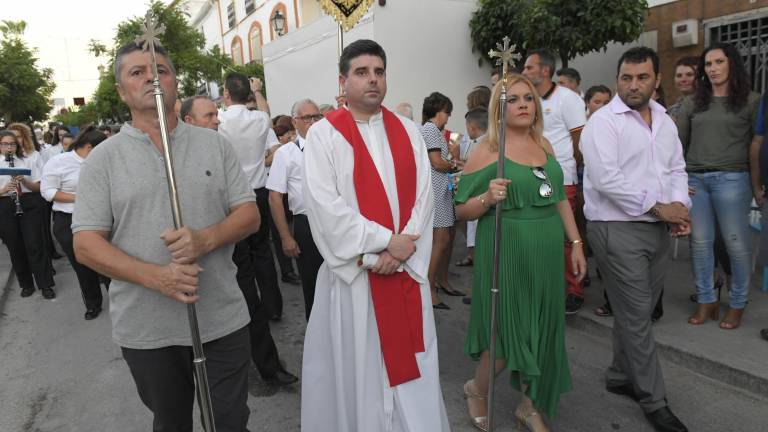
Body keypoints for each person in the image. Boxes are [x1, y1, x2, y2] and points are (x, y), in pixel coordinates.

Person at [72, 41, 257, 431]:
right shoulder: (103, 160)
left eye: (162, 69)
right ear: (122, 91)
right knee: (171, 423)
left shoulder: (215, 145)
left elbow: (248, 214)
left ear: (175, 82)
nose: (151, 78)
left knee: (230, 421)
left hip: (221, 318)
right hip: (148, 329)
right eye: (137, 72)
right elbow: (86, 245)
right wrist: (157, 277)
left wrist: (206, 239)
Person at [301, 39, 450, 432]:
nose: (373, 80)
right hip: (356, 282)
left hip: (402, 275)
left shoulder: (407, 131)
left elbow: (424, 200)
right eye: (362, 72)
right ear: (343, 80)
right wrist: (384, 245)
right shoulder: (323, 135)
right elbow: (325, 208)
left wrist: (401, 251)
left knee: (411, 372)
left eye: (379, 71)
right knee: (360, 371)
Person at [455, 73, 584, 432]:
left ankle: (529, 405)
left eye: (528, 98)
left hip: (545, 248)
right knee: (507, 334)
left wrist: (575, 244)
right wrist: (486, 197)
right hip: (506, 248)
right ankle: (477, 389)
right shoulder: (487, 150)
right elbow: (461, 210)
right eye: (512, 99)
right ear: (499, 107)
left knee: (542, 328)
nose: (523, 104)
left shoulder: (544, 144)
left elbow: (558, 198)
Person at [581, 47, 690, 432]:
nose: (633, 85)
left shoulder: (665, 120)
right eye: (626, 78)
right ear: (617, 80)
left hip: (656, 228)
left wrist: (679, 206)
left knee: (635, 312)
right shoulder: (602, 123)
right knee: (639, 315)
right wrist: (661, 208)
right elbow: (608, 181)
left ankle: (619, 375)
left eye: (642, 77)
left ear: (656, 80)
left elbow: (676, 168)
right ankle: (654, 400)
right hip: (616, 228)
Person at [182, 93, 299, 386]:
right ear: (188, 121)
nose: (217, 119)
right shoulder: (175, 158)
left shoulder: (223, 149)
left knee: (249, 303)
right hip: (190, 260)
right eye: (209, 116)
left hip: (229, 246)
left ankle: (269, 367)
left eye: (215, 114)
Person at [676, 42, 761, 330]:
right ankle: (706, 300)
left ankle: (737, 303)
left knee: (736, 244)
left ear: (732, 64)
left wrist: (758, 185)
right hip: (695, 181)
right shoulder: (692, 103)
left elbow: (757, 147)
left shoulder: (751, 101)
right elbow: (678, 147)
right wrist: (679, 182)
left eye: (718, 62)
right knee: (699, 244)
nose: (712, 69)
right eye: (708, 64)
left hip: (734, 180)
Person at [523, 49, 588, 314]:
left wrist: (569, 166)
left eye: (529, 68)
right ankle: (547, 288)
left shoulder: (567, 99)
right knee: (540, 236)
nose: (524, 72)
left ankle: (574, 291)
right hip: (530, 176)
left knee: (565, 238)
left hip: (561, 177)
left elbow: (580, 140)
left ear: (545, 71)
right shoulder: (528, 100)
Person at [218, 72, 286, 320]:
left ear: (226, 94)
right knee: (263, 252)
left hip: (233, 197)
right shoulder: (259, 119)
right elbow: (266, 115)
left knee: (239, 258)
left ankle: (249, 311)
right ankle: (273, 307)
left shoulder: (220, 120)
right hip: (258, 192)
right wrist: (257, 91)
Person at [40, 125, 107, 320]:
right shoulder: (58, 162)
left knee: (109, 260)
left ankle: (122, 302)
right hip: (69, 218)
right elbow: (48, 192)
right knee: (82, 264)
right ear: (88, 147)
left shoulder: (102, 161)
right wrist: (79, 198)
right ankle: (93, 304)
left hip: (100, 216)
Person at [267, 99, 325, 320]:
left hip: (335, 222)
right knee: (312, 286)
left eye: (316, 117)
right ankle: (318, 346)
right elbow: (274, 197)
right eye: (306, 118)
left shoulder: (333, 146)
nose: (312, 122)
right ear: (295, 121)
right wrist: (285, 237)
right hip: (306, 225)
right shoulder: (285, 154)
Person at [0, 130, 55, 299]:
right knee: (16, 248)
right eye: (5, 144)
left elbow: (39, 187)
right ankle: (26, 284)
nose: (9, 147)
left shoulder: (27, 161)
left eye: (12, 144)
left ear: (17, 145)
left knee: (35, 244)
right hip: (5, 205)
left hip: (28, 202)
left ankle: (45, 284)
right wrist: (3, 190)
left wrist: (23, 180)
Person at [422, 91, 464, 309]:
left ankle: (441, 280)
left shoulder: (435, 131)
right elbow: (438, 163)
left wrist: (454, 159)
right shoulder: (429, 129)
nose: (448, 117)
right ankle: (429, 288)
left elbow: (443, 161)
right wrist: (457, 165)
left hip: (442, 189)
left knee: (446, 239)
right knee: (440, 240)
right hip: (436, 192)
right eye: (447, 112)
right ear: (439, 111)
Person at [455, 106, 489, 269]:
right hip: (482, 198)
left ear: (472, 127)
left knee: (476, 239)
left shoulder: (482, 146)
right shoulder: (487, 142)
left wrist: (463, 168)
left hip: (478, 198)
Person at [667, 56, 698, 121]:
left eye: (689, 75)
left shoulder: (710, 106)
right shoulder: (670, 111)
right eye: (679, 76)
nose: (683, 79)